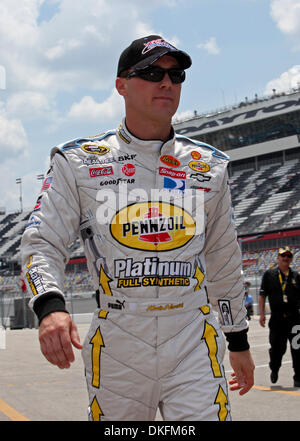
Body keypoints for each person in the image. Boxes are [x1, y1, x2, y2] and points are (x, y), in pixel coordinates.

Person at [21, 35, 254, 421]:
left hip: (192, 336)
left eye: (175, 75)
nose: (167, 83)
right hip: (118, 340)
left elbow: (224, 259)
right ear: (121, 85)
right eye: (151, 72)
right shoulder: (78, 161)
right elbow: (40, 242)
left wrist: (238, 339)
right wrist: (49, 307)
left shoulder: (208, 166)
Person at [259, 247, 300, 387]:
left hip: (294, 319)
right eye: (283, 256)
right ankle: (274, 368)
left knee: (297, 348)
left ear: (291, 259)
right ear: (278, 258)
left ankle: (298, 377)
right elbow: (262, 295)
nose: (286, 258)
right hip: (277, 320)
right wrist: (262, 314)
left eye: (288, 256)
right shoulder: (269, 275)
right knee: (277, 349)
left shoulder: (296, 276)